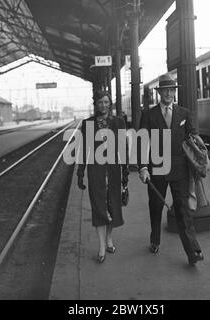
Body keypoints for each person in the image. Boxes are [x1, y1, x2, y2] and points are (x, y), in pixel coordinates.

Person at [138, 74, 204, 266]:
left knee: (184, 211)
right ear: (160, 93)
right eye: (165, 90)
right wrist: (143, 167)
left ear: (175, 92)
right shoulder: (148, 115)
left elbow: (193, 138)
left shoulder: (184, 113)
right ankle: (155, 239)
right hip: (156, 169)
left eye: (171, 90)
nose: (169, 93)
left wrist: (199, 158)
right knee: (156, 207)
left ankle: (193, 251)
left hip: (179, 170)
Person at [77, 90, 129, 263]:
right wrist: (80, 172)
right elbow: (84, 150)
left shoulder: (119, 122)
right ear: (96, 104)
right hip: (96, 171)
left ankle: (109, 239)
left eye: (106, 102)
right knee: (99, 208)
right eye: (100, 102)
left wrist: (126, 173)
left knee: (113, 206)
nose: (103, 105)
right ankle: (101, 246)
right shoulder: (88, 123)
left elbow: (123, 148)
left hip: (113, 170)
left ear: (110, 103)